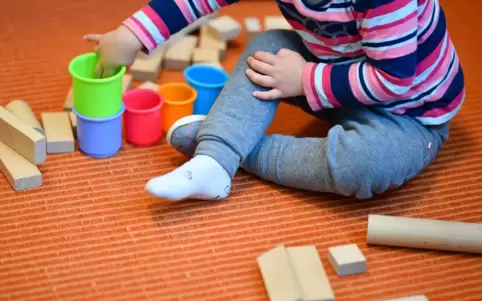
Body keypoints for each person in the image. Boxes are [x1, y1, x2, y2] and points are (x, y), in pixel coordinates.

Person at [84, 0, 465, 201]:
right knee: (267, 47)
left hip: (407, 112)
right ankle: (215, 163)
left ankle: (230, 149)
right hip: (329, 71)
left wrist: (302, 78)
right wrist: (132, 34)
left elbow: (395, 80)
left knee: (366, 166)